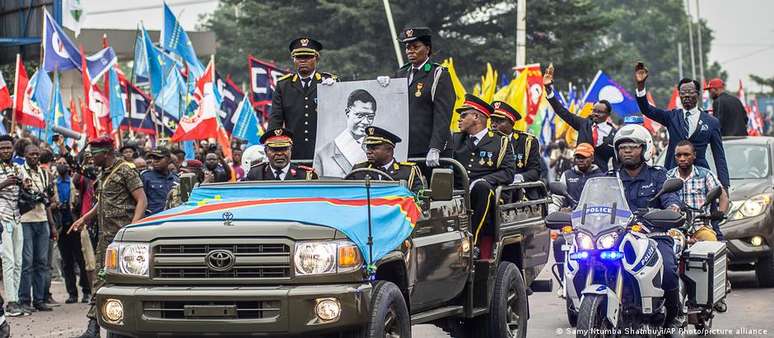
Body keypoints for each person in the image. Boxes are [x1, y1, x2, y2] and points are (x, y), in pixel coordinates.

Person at [69, 137, 147, 338]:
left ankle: (124, 327)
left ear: (107, 153)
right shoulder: (105, 173)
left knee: (124, 283)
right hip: (106, 238)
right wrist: (84, 218)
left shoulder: (126, 171)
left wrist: (133, 228)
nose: (91, 159)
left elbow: (141, 200)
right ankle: (94, 327)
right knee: (100, 281)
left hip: (123, 239)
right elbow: (102, 202)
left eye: (94, 155)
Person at [611, 124, 683, 329]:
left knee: (668, 271)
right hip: (618, 237)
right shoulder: (610, 178)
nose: (627, 150)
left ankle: (673, 316)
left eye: (633, 146)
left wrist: (673, 208)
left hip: (653, 235)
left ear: (645, 149)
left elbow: (670, 199)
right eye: (622, 146)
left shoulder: (658, 176)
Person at [634, 62, 730, 189]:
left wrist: (724, 185)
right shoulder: (671, 117)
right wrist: (641, 85)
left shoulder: (711, 122)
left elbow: (719, 155)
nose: (686, 96)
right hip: (673, 176)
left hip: (700, 178)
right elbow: (647, 110)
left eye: (690, 92)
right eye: (683, 93)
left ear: (698, 94)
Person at [451, 94, 515, 260]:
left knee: (482, 188)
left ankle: (473, 242)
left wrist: (485, 180)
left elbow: (508, 173)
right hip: (458, 192)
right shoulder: (455, 139)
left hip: (486, 194)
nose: (459, 119)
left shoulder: (500, 142)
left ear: (476, 117)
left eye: (464, 115)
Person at [385, 27, 453, 167]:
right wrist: (383, 87)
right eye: (408, 47)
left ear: (427, 49)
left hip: (429, 149)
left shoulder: (438, 74)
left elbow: (443, 115)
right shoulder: (401, 74)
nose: (410, 51)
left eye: (416, 47)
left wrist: (436, 147)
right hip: (406, 147)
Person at [268, 37, 336, 160]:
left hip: (324, 151)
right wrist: (273, 148)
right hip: (293, 152)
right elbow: (275, 121)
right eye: (299, 57)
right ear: (293, 60)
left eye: (308, 57)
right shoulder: (284, 86)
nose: (303, 61)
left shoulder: (328, 83)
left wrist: (335, 90)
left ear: (317, 59)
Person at [550, 143, 605, 292]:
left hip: (597, 225)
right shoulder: (567, 175)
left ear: (592, 158)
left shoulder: (602, 176)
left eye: (584, 157)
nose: (580, 160)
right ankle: (564, 282)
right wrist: (553, 214)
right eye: (578, 157)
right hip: (572, 225)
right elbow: (557, 199)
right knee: (559, 243)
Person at [544, 65, 617, 171]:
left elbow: (616, 159)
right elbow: (562, 112)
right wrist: (549, 90)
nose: (595, 114)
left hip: (601, 177)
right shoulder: (583, 124)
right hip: (580, 174)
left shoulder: (614, 133)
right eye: (594, 110)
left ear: (608, 115)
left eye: (600, 112)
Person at [18, 144, 57, 313]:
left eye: (36, 154)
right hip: (25, 220)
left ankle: (39, 300)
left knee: (42, 262)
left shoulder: (44, 173)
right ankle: (24, 299)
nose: (34, 157)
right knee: (27, 262)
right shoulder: (19, 171)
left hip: (42, 221)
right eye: (31, 154)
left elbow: (48, 201)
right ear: (25, 155)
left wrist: (52, 225)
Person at [667, 140, 729, 239]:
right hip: (675, 230)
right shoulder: (668, 176)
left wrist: (720, 213)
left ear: (694, 155)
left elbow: (723, 196)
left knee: (710, 241)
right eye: (678, 155)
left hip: (701, 227)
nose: (682, 158)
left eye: (686, 155)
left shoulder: (705, 175)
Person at [313, 89, 378, 177]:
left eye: (370, 117)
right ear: (347, 113)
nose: (365, 122)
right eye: (360, 115)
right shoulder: (323, 154)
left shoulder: (380, 149)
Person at [52, 162, 90, 304]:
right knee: (67, 261)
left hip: (75, 225)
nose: (61, 165)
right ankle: (72, 293)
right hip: (61, 226)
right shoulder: (53, 184)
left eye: (64, 163)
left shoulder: (76, 182)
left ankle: (86, 291)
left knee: (81, 259)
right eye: (59, 163)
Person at [489, 100, 542, 200]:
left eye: (499, 121)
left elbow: (535, 171)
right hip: (494, 189)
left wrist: (518, 178)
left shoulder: (527, 142)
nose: (493, 125)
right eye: (492, 121)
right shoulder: (487, 141)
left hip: (520, 191)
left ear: (511, 123)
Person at [346, 126, 424, 192]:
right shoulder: (359, 170)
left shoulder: (408, 172)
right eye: (368, 148)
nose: (368, 152)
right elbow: (346, 196)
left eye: (374, 148)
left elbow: (419, 200)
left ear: (389, 150)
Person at [0, 135, 27, 317]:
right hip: (2, 218)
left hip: (17, 218)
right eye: (2, 148)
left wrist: (25, 183)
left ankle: (15, 299)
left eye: (8, 148)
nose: (5, 151)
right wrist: (4, 184)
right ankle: (10, 302)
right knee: (8, 260)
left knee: (18, 261)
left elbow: (30, 186)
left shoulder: (18, 167)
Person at [245, 128, 318, 181]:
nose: (279, 153)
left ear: (291, 149)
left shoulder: (305, 176)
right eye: (274, 150)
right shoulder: (255, 174)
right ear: (266, 151)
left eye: (284, 149)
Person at [141, 146, 179, 216]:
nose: (155, 161)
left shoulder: (176, 178)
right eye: (153, 158)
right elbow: (140, 201)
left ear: (168, 160)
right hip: (153, 219)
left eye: (159, 158)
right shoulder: (146, 177)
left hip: (173, 217)